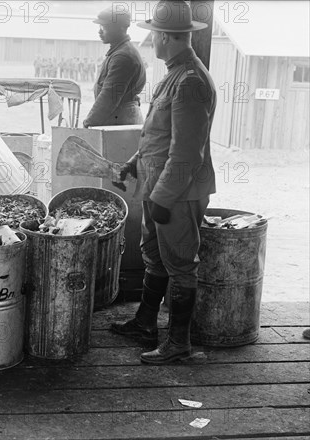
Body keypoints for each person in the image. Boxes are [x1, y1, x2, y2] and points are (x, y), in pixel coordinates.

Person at [110, 0, 217, 365]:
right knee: (154, 256)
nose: (150, 40)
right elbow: (158, 137)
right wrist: (132, 163)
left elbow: (187, 154)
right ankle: (145, 323)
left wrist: (163, 198)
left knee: (181, 265)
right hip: (159, 186)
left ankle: (178, 343)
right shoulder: (173, 73)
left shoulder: (189, 82)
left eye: (153, 33)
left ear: (166, 36)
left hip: (179, 192)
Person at [83, 6, 146, 127]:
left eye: (104, 27)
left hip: (121, 121)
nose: (99, 31)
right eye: (100, 26)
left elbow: (108, 98)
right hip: (119, 118)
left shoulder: (123, 56)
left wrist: (88, 123)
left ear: (121, 28)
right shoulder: (119, 52)